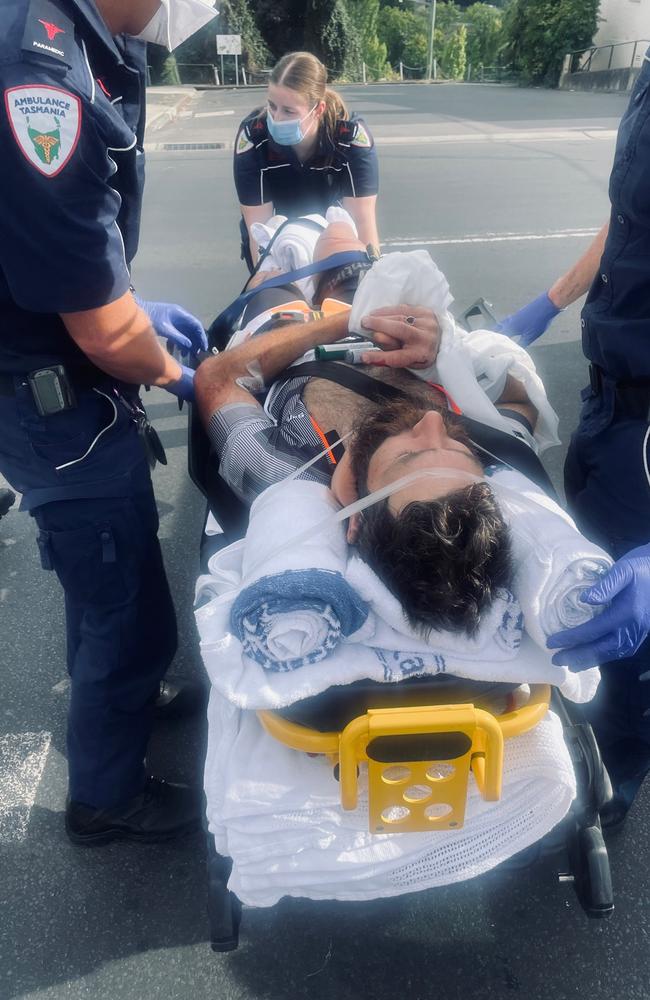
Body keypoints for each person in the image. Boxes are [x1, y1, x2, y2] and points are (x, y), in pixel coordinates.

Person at [0, 0, 218, 846]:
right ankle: (105, 798)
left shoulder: (81, 41)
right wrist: (187, 379)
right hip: (57, 402)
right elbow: (101, 331)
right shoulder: (41, 78)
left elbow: (71, 250)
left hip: (55, 366)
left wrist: (131, 305)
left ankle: (125, 689)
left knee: (100, 590)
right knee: (125, 608)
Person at [194, 235, 541, 636]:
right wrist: (445, 349)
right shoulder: (493, 456)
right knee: (342, 239)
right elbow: (521, 404)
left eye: (407, 456)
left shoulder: (283, 469)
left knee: (274, 272)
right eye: (458, 448)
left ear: (356, 515)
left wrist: (347, 321)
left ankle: (287, 265)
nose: (432, 421)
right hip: (390, 329)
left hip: (284, 337)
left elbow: (217, 377)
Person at [496, 51, 650, 823]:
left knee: (634, 631)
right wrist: (549, 303)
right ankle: (585, 718)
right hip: (609, 406)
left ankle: (616, 774)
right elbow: (630, 218)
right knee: (579, 580)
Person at [234, 51, 380, 272]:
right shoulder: (253, 138)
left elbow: (362, 221)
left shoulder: (350, 136)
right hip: (276, 236)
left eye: (289, 111)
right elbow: (259, 228)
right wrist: (265, 284)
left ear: (318, 110)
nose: (276, 118)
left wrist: (372, 279)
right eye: (272, 106)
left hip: (334, 234)